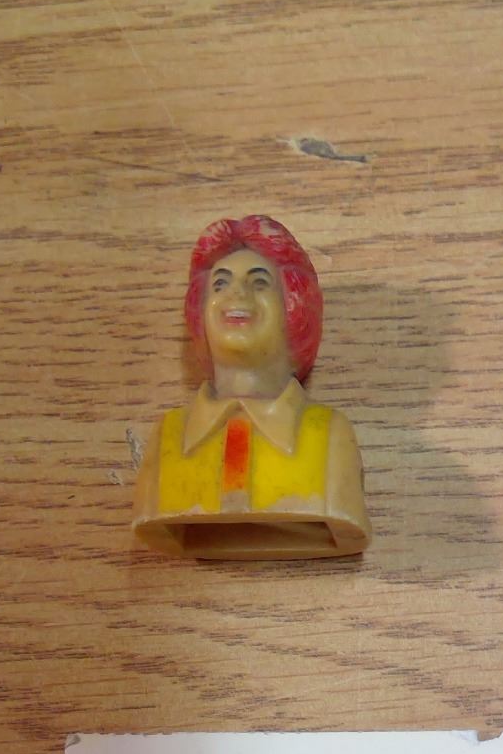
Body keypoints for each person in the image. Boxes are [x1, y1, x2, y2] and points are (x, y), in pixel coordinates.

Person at [132, 214, 369, 559]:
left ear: (294, 307)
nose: (237, 294)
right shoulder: (168, 437)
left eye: (259, 283)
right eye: (220, 284)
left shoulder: (330, 436)